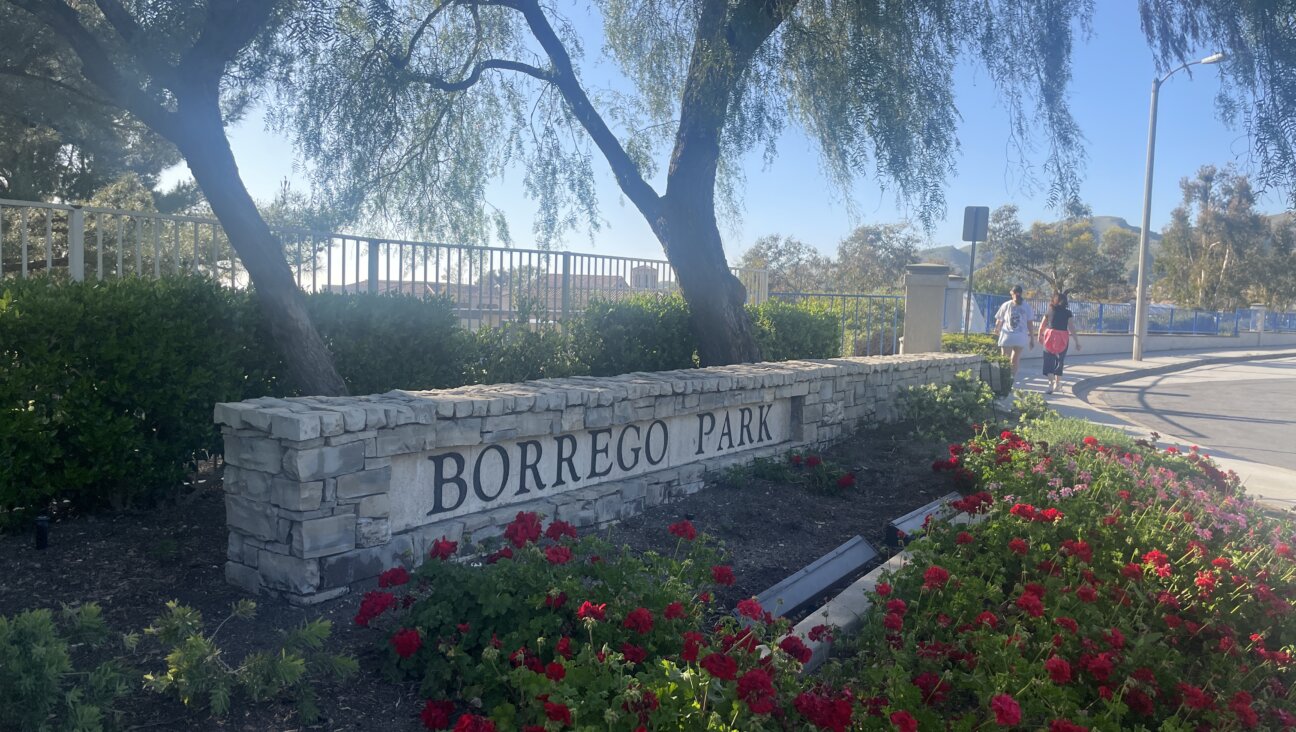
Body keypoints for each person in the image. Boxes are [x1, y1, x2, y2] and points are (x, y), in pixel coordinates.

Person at [1037, 290, 1081, 393]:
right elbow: (1071, 327)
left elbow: (1042, 325)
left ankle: (1050, 384)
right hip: (1062, 337)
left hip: (1049, 337)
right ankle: (1057, 383)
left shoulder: (1049, 311)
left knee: (1048, 360)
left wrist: (1040, 335)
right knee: (1060, 360)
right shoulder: (1068, 313)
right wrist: (1077, 341)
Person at [993, 285, 1035, 379]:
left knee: (1004, 359)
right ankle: (1012, 379)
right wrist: (1032, 338)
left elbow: (999, 321)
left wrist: (996, 329)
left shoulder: (1006, 304)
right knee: (1015, 360)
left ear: (1012, 293)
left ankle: (1003, 378)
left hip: (1007, 336)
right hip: (1020, 336)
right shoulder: (1027, 306)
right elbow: (1030, 324)